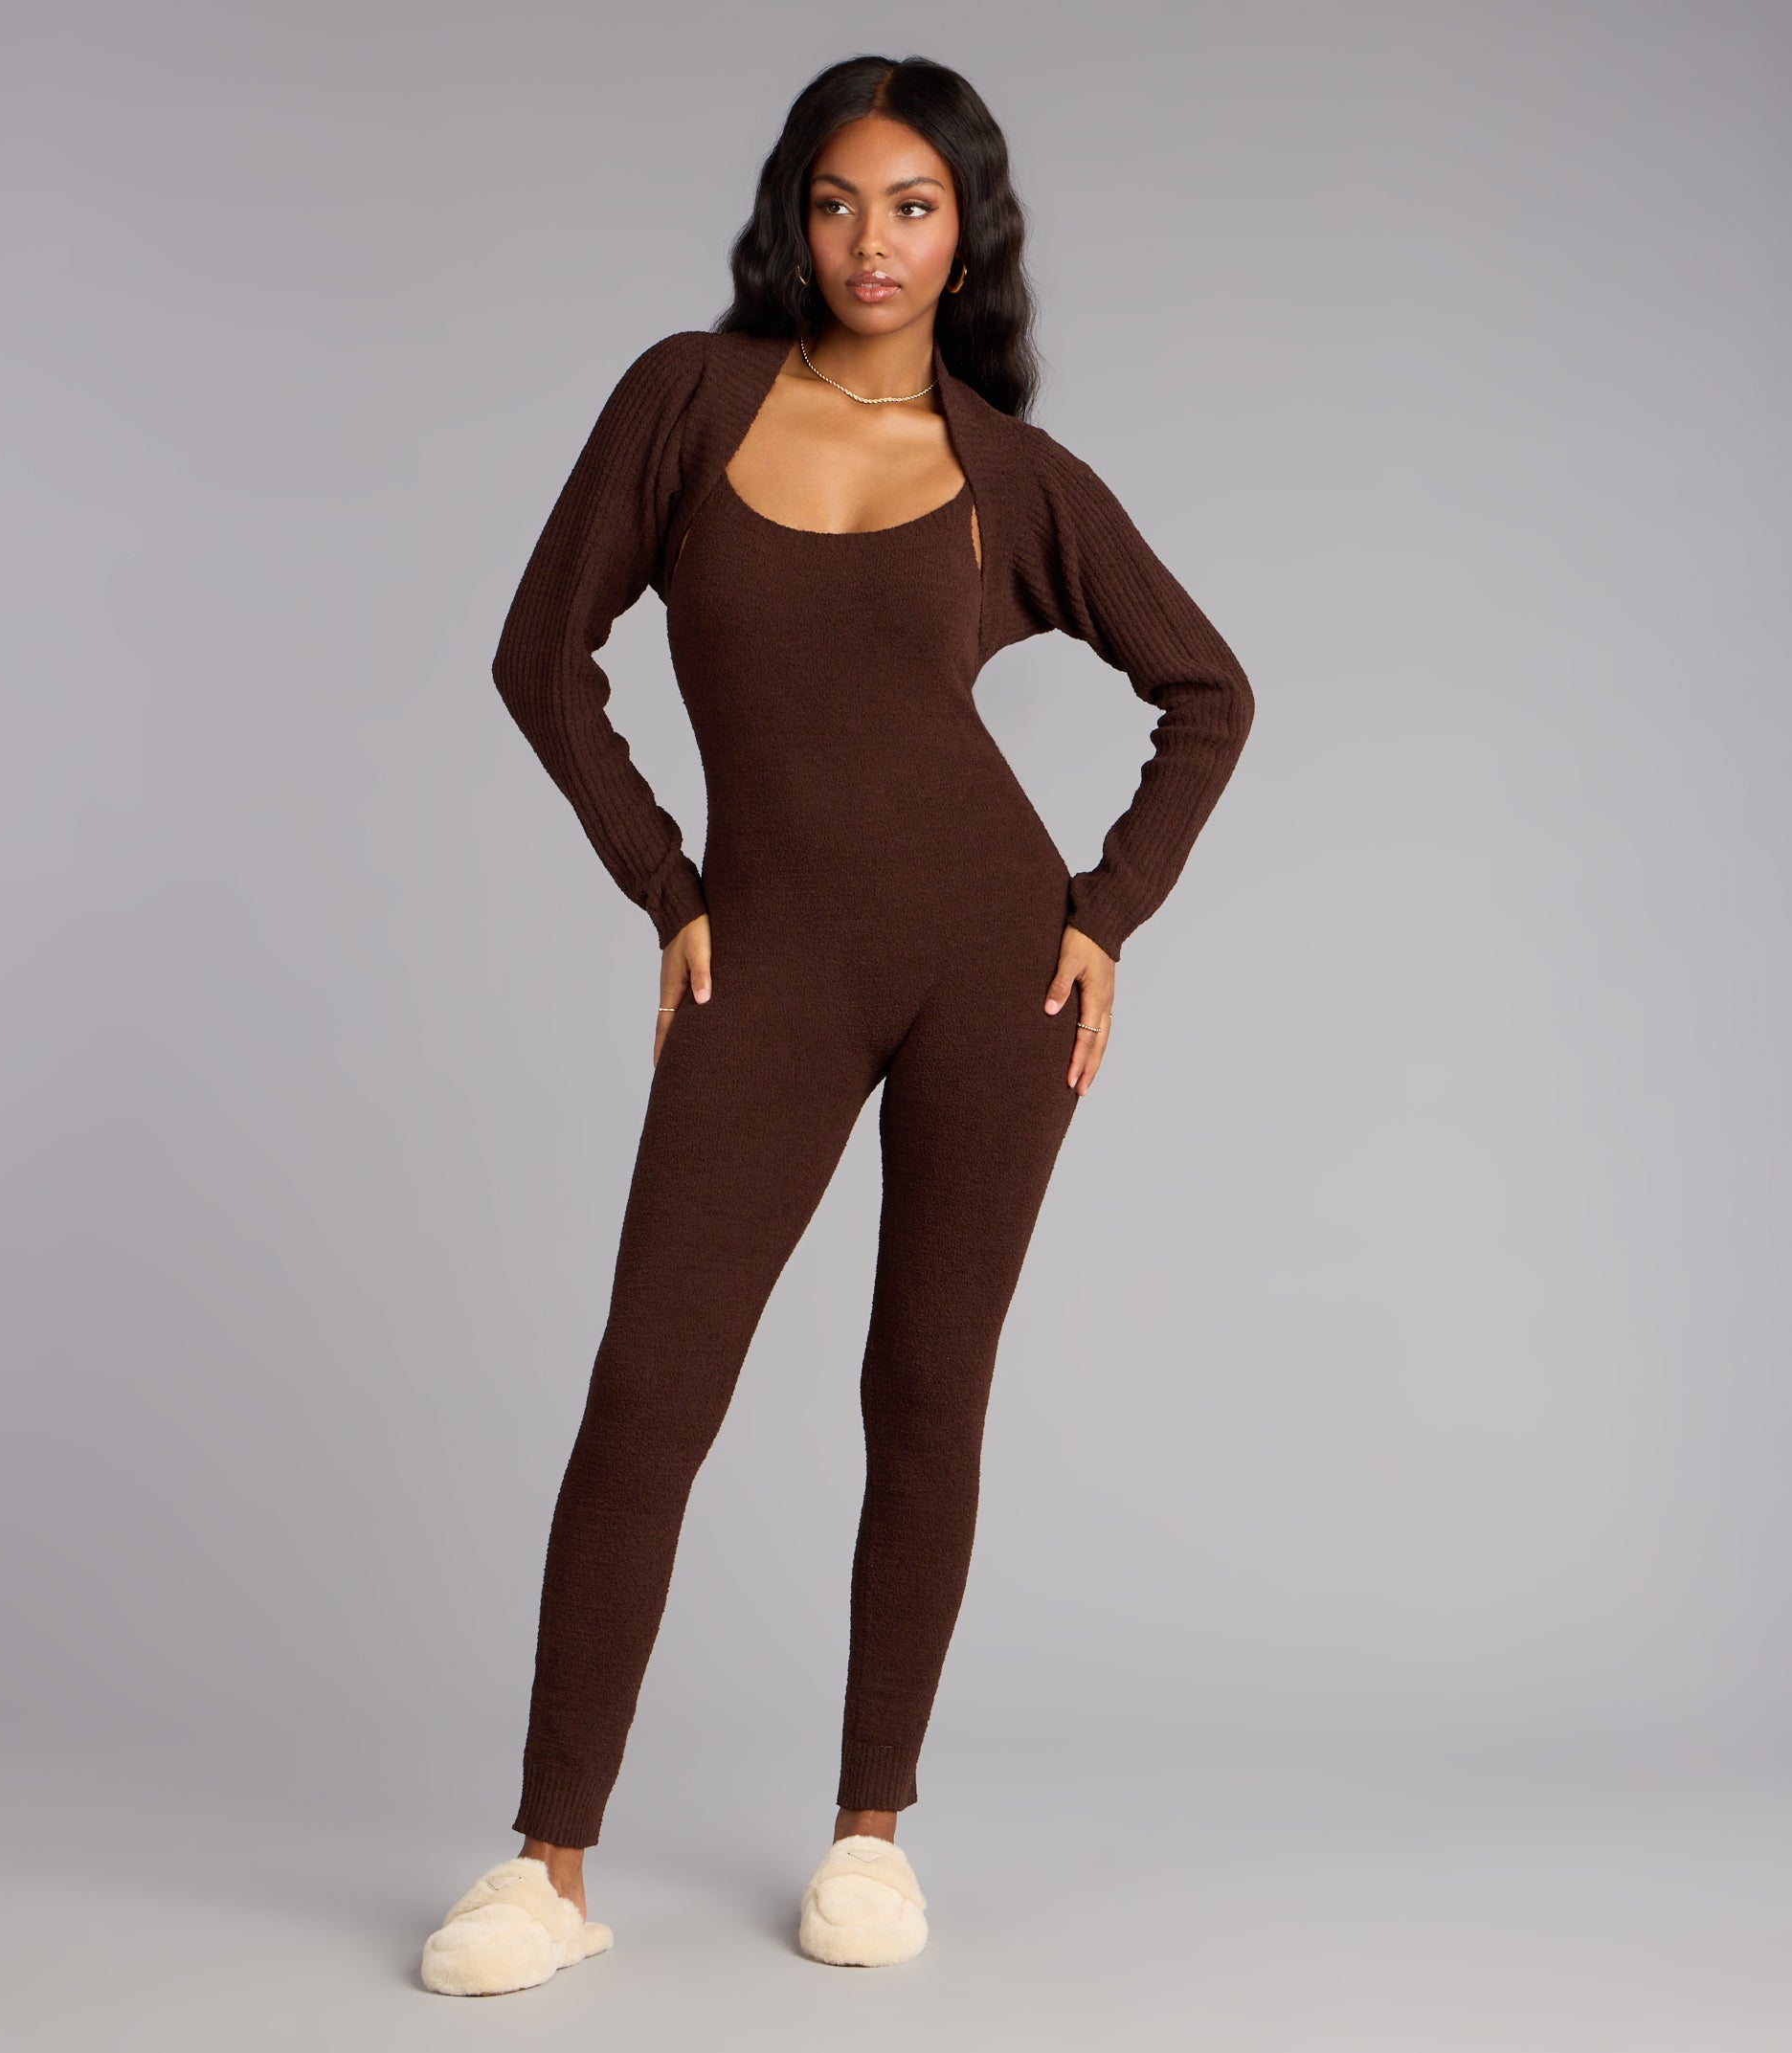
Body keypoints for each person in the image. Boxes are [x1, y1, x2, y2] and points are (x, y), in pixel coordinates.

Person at [420, 52, 1255, 1993]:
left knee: (924, 1387)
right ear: (791, 220)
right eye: (836, 199)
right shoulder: (687, 398)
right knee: (652, 1385)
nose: (872, 240)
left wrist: (1104, 911)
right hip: (769, 963)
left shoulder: (1011, 477)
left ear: (966, 239)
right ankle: (547, 1864)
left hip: (990, 969)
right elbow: (541, 656)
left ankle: (871, 1833)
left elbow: (1206, 690)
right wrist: (669, 887)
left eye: (913, 206)